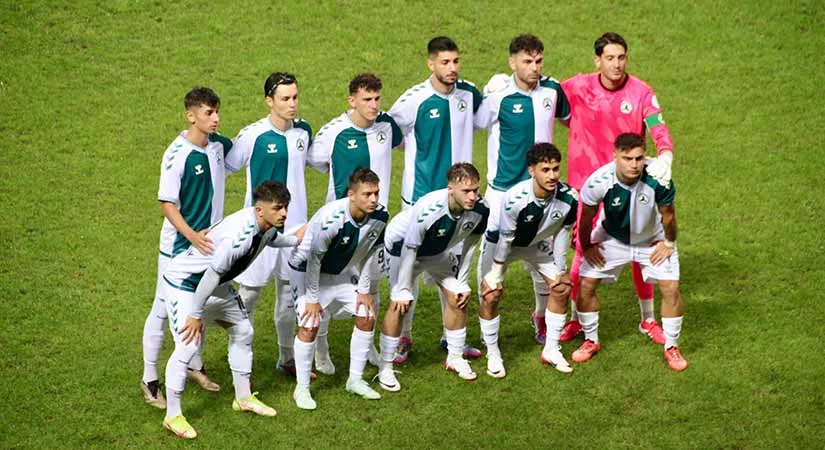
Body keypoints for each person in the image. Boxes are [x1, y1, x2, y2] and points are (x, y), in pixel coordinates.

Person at [160, 181, 303, 439]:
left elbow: (273, 239)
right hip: (186, 283)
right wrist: (195, 314)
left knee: (243, 331)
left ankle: (243, 398)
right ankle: (172, 415)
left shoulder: (265, 226)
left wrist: (297, 239)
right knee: (188, 345)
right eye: (278, 208)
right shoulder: (240, 236)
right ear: (260, 210)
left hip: (215, 283)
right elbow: (210, 275)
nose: (284, 213)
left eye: (285, 207)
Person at [560, 32, 677, 344]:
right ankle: (576, 319)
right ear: (597, 60)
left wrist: (665, 154)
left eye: (621, 57)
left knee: (641, 247)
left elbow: (658, 126)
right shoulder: (577, 86)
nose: (616, 64)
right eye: (609, 58)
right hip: (587, 185)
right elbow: (547, 99)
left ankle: (648, 319)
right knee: (583, 250)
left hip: (629, 185)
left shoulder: (641, 92)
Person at [387, 36, 483, 363]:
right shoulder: (413, 100)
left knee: (454, 269)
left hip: (459, 201)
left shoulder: (469, 94)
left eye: (456, 61)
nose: (452, 68)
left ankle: (452, 337)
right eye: (445, 62)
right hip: (419, 199)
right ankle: (403, 337)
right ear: (431, 64)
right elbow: (391, 136)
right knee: (408, 271)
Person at [474, 34, 571, 346]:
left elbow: (573, 120)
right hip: (502, 194)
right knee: (490, 266)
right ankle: (486, 327)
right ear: (512, 62)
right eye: (527, 61)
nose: (534, 67)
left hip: (543, 194)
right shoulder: (499, 96)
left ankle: (541, 317)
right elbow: (474, 122)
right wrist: (484, 92)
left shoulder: (553, 90)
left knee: (543, 261)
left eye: (538, 61)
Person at [141, 87, 231, 409]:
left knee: (199, 305)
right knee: (162, 309)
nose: (215, 118)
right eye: (208, 113)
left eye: (217, 111)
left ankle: (195, 366)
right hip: (179, 247)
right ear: (191, 116)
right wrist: (192, 235)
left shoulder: (219, 146)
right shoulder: (176, 154)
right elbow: (167, 205)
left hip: (207, 247)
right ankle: (150, 379)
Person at [307, 73, 402, 372]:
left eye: (377, 99)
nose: (374, 105)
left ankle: (368, 344)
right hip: (340, 225)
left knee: (371, 284)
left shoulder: (387, 126)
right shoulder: (333, 132)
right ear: (352, 101)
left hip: (375, 224)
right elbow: (316, 160)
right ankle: (321, 351)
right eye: (367, 99)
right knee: (326, 289)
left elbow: (400, 141)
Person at [226, 72, 316, 377]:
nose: (292, 104)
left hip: (295, 229)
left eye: (295, 97)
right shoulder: (252, 136)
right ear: (269, 101)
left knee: (288, 295)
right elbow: (225, 166)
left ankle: (286, 357)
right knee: (249, 295)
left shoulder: (303, 131)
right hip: (260, 231)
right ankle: (239, 361)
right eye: (285, 99)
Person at [572, 133, 686, 372]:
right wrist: (588, 247)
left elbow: (668, 216)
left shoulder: (658, 178)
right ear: (615, 156)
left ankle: (672, 347)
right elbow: (586, 218)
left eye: (639, 158)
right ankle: (591, 340)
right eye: (627, 159)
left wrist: (669, 243)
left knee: (671, 289)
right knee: (586, 285)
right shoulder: (598, 181)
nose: (634, 165)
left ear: (645, 156)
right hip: (612, 239)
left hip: (651, 241)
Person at [375, 163, 488, 392]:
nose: (472, 196)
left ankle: (455, 356)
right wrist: (403, 289)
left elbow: (470, 247)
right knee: (399, 304)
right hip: (402, 248)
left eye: (475, 190)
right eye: (466, 191)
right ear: (450, 189)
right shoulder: (428, 208)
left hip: (437, 251)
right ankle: (386, 366)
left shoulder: (481, 209)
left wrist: (462, 282)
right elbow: (410, 248)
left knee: (458, 296)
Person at [288, 168, 389, 410]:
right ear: (351, 195)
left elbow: (370, 253)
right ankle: (301, 388)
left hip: (341, 270)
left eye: (376, 193)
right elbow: (313, 260)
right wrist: (313, 299)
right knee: (309, 324)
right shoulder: (331, 219)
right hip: (306, 270)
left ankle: (355, 380)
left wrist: (364, 290)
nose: (374, 199)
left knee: (367, 315)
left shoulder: (380, 216)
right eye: (367, 194)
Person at [478, 143, 577, 377]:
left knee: (561, 288)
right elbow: (506, 239)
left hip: (536, 244)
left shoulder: (570, 197)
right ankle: (493, 353)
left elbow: (563, 233)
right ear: (532, 170)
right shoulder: (514, 198)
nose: (552, 176)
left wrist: (561, 269)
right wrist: (495, 274)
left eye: (555, 169)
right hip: (502, 245)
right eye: (545, 170)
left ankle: (551, 350)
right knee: (491, 294)